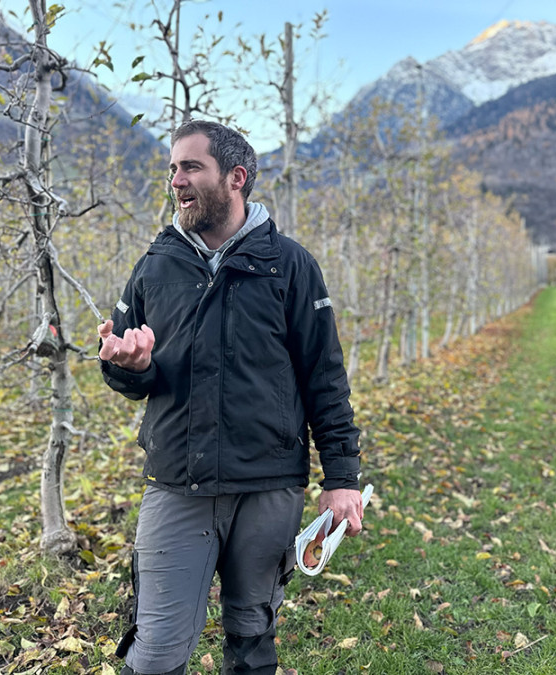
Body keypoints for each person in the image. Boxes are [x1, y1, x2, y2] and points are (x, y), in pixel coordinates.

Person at [98, 119, 364, 675]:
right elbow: (128, 373)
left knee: (251, 636)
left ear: (235, 177)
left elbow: (325, 377)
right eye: (173, 168)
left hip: (268, 487)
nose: (176, 180)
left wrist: (341, 479)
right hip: (177, 483)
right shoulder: (154, 265)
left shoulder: (290, 266)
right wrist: (130, 367)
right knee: (155, 652)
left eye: (191, 166)